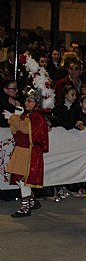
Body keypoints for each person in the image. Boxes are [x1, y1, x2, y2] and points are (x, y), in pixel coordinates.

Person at [4, 87, 49, 217]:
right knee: (19, 179)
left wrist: (12, 118)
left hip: (28, 151)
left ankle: (25, 207)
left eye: (30, 101)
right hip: (20, 149)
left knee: (22, 179)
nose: (27, 103)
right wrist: (16, 117)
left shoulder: (37, 116)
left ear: (37, 103)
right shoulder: (26, 114)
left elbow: (25, 129)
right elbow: (15, 130)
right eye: (26, 100)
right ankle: (30, 201)